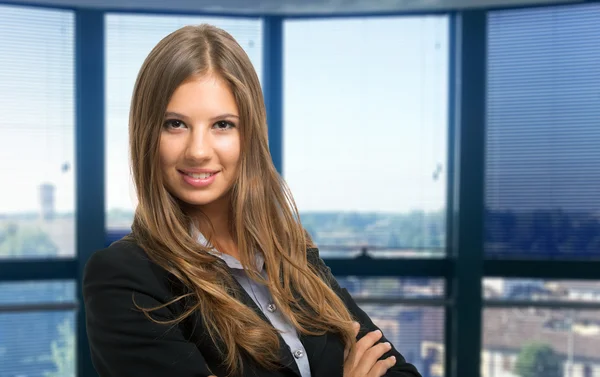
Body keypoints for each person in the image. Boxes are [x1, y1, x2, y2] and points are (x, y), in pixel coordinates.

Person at [83, 24, 422, 377]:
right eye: (175, 124)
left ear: (250, 135)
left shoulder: (290, 251)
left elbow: (397, 370)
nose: (198, 151)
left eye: (223, 125)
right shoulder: (123, 278)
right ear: (146, 133)